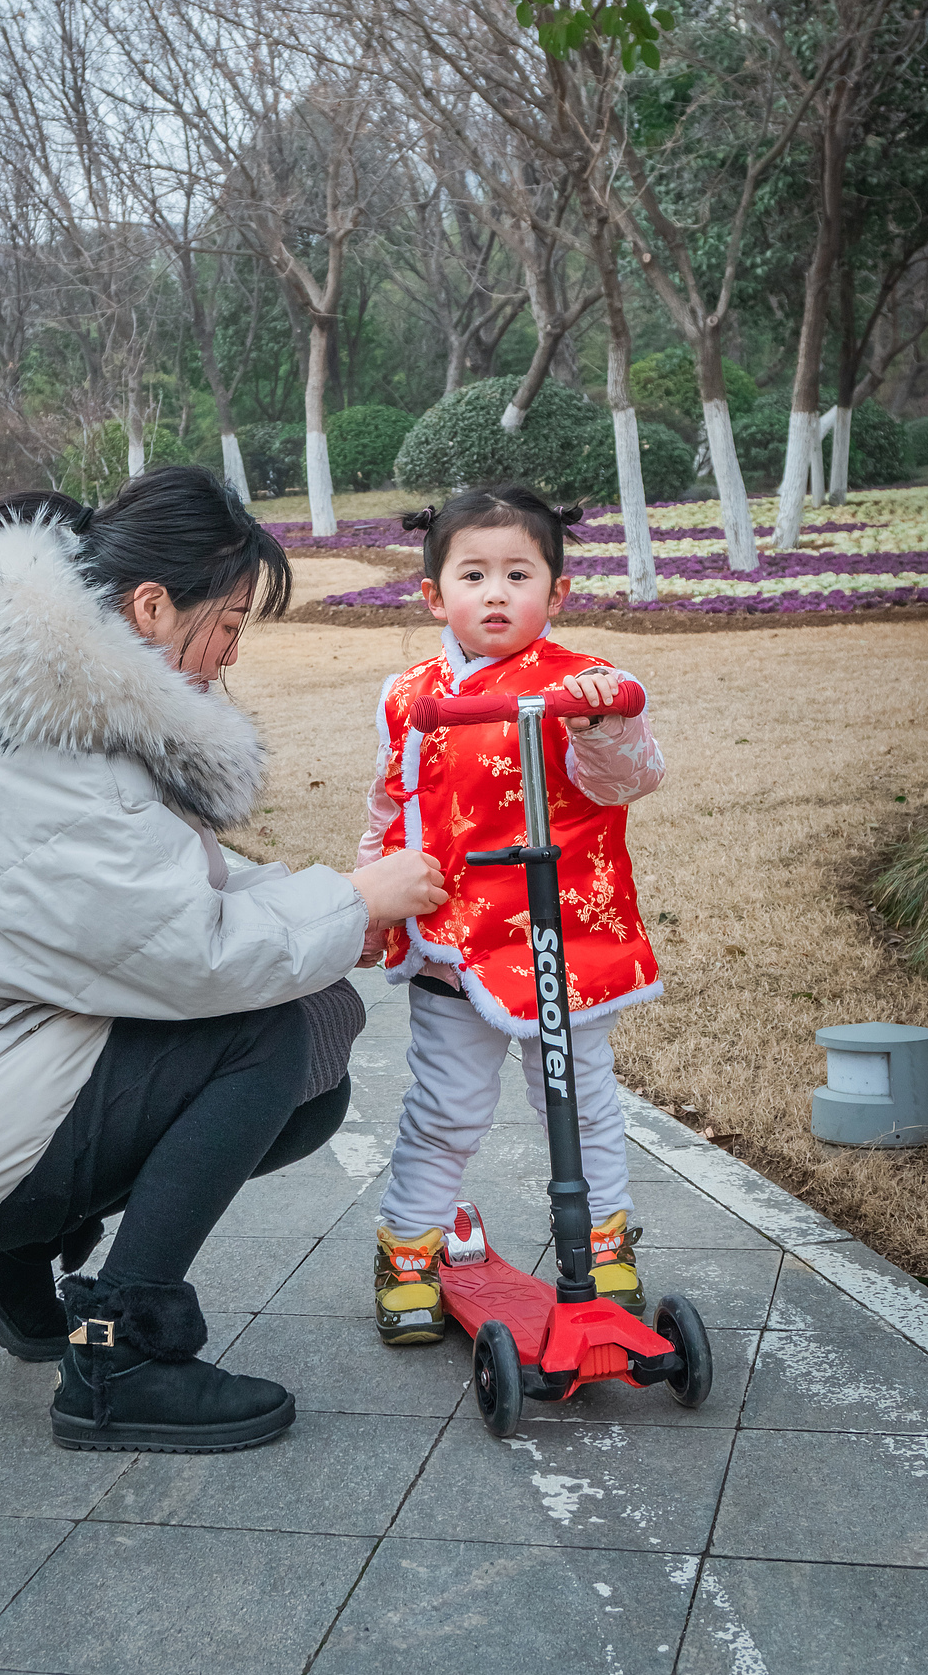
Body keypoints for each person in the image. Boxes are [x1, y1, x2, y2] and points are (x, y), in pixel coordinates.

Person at [0, 468, 445, 1454]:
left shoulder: (60, 702)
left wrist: (348, 901)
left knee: (306, 1062)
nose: (229, 653)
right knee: (262, 1039)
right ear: (149, 606)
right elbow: (193, 956)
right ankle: (118, 1354)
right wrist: (351, 903)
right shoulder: (55, 746)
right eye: (227, 621)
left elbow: (165, 908)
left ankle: (14, 1249)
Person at [356, 484, 666, 1345]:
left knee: (581, 1101)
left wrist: (604, 722)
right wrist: (369, 896)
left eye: (518, 574)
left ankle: (603, 1241)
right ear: (433, 594)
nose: (496, 593)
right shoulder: (409, 693)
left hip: (560, 935)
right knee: (447, 1106)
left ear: (557, 592)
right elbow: (393, 803)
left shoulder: (582, 684)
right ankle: (409, 1246)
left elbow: (628, 778)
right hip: (455, 943)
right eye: (474, 574)